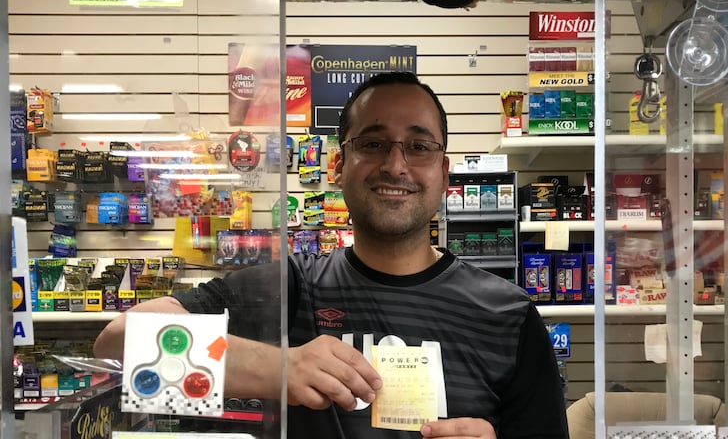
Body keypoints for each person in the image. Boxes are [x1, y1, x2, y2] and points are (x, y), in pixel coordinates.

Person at [94, 71, 569, 439]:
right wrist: (283, 368)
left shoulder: (508, 314)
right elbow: (118, 341)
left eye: (419, 146)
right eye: (373, 143)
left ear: (444, 174)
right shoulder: (292, 287)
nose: (395, 164)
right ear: (338, 165)